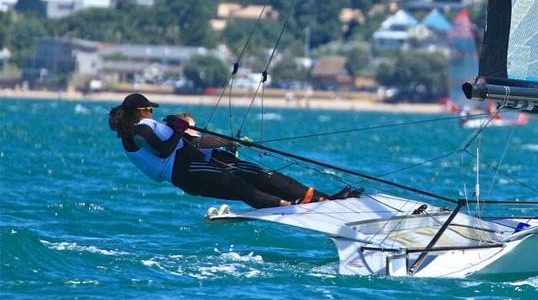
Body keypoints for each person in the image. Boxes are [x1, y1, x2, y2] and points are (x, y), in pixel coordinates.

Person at [109, 93, 361, 209]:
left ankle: (323, 199)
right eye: (149, 109)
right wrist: (179, 128)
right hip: (186, 172)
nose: (152, 112)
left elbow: (194, 142)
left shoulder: (147, 126)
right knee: (240, 186)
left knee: (263, 175)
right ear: (141, 111)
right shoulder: (137, 132)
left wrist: (230, 144)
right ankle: (293, 205)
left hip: (199, 161)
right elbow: (164, 150)